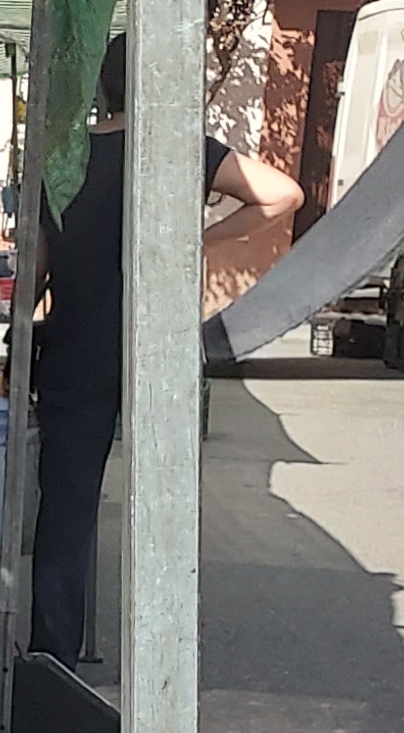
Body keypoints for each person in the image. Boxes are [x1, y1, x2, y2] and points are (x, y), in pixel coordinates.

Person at [31, 40, 299, 663]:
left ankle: (52, 657)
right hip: (159, 352)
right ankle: (161, 659)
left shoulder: (63, 160)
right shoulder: (181, 152)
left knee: (66, 511)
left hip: (76, 349)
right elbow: (283, 194)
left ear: (104, 88)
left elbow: (34, 274)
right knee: (163, 506)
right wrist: (199, 239)